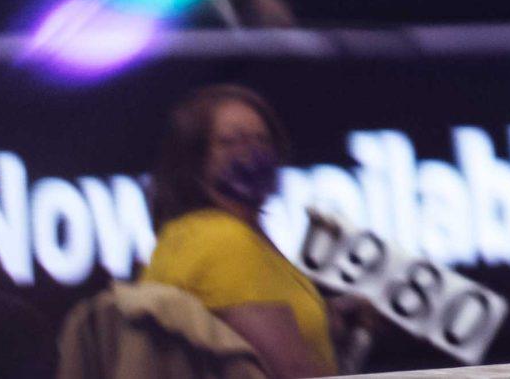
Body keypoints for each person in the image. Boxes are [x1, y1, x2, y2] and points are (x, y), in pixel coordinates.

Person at [139, 84, 356, 377]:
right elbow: (290, 371)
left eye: (262, 140)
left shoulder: (185, 234)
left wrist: (329, 322)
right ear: (194, 158)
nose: (252, 153)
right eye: (231, 141)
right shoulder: (224, 243)